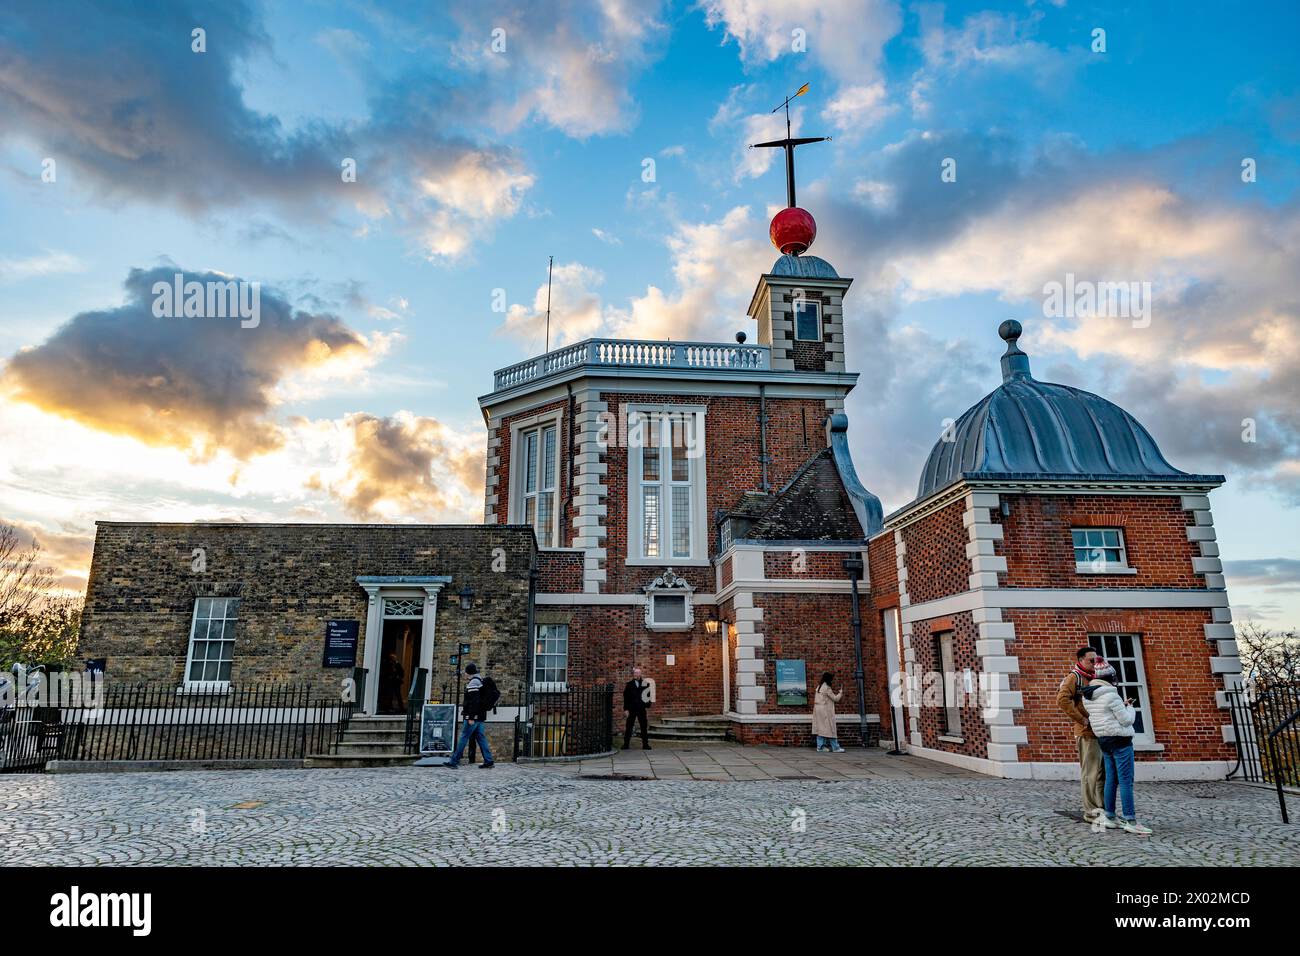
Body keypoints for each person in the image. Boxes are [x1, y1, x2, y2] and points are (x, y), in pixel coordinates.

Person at [1082, 660, 1151, 834]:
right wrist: (1131, 708)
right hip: (1120, 741)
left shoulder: (1089, 696)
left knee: (1111, 779)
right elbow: (1127, 720)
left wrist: (1123, 706)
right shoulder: (1112, 695)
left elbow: (1106, 715)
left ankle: (1110, 816)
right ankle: (1130, 820)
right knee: (1126, 781)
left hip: (1104, 740)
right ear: (1110, 677)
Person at [1057, 646, 1104, 821]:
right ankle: (1091, 812)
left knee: (1101, 773)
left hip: (1099, 730)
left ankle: (1101, 808)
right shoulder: (1074, 677)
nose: (1095, 663)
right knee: (1090, 773)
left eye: (1097, 660)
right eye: (1091, 660)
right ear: (1081, 660)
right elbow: (1062, 700)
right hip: (1086, 732)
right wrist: (1081, 719)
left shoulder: (1095, 677)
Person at [442, 663, 494, 769]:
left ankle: (453, 761)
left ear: (468, 673)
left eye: (465, 672)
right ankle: (488, 761)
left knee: (464, 737)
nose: (464, 674)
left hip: (473, 717)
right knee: (481, 737)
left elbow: (474, 702)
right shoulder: (479, 680)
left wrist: (470, 717)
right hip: (479, 716)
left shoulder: (473, 683)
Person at [812, 672, 845, 752]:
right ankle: (835, 747)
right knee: (831, 728)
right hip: (825, 711)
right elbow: (835, 699)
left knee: (821, 729)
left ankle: (820, 747)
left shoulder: (819, 687)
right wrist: (840, 693)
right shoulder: (827, 688)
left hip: (818, 710)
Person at [622, 667, 652, 750]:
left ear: (640, 674)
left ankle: (645, 745)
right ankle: (626, 744)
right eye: (635, 673)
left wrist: (647, 705)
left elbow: (648, 695)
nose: (636, 674)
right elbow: (626, 697)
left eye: (637, 673)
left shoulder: (645, 684)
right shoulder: (629, 684)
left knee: (643, 727)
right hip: (631, 709)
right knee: (629, 727)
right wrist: (626, 709)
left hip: (641, 709)